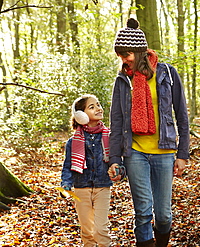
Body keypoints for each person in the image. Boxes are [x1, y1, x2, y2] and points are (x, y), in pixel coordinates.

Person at [108, 18, 190, 247]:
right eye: (121, 55)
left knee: (164, 216)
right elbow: (116, 122)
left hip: (164, 152)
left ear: (139, 51)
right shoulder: (123, 80)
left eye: (127, 54)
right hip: (135, 152)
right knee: (143, 212)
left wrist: (182, 154)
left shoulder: (168, 74)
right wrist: (115, 159)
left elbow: (182, 116)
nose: (124, 60)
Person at [61, 94, 112, 247]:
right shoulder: (73, 141)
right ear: (80, 115)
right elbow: (68, 165)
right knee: (87, 231)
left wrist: (119, 171)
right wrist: (66, 184)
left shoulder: (108, 136)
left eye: (98, 104)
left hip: (102, 186)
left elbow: (116, 160)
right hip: (81, 188)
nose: (98, 108)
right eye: (92, 107)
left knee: (100, 228)